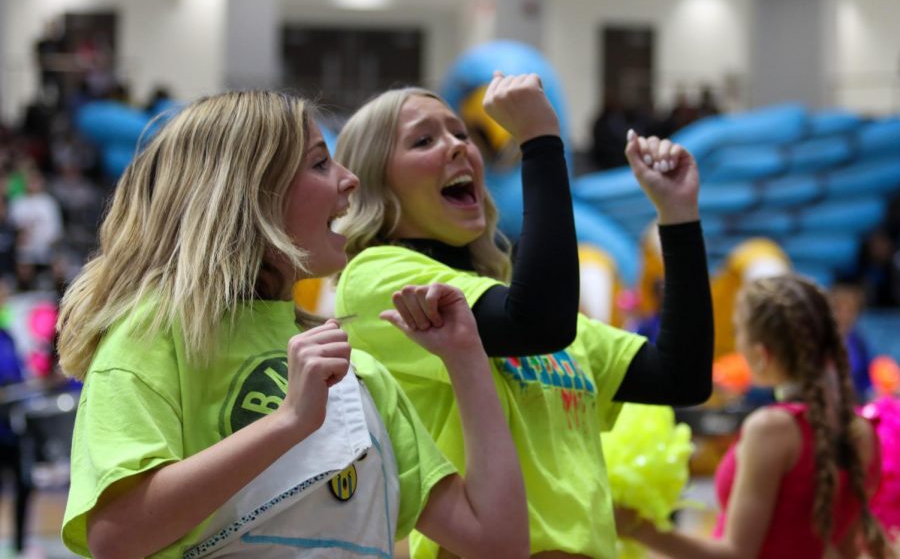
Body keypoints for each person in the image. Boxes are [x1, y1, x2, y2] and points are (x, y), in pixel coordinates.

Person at [57, 90, 528, 558]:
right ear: (249, 189)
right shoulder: (150, 332)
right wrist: (287, 423)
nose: (349, 180)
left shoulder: (357, 370)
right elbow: (116, 537)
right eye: (320, 163)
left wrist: (467, 360)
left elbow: (498, 543)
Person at [334, 72, 713, 557]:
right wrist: (540, 142)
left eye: (461, 133)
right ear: (374, 183)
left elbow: (681, 377)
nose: (456, 147)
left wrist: (678, 217)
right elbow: (537, 322)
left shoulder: (514, 304)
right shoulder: (375, 277)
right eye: (424, 140)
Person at [617, 274, 888, 559]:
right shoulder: (862, 431)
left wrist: (639, 528)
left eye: (738, 332)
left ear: (762, 353)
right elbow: (845, 551)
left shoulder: (772, 429)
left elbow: (737, 554)